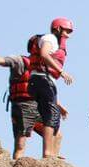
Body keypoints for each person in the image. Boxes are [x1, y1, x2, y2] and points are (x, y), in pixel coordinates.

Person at [28, 17, 75, 159]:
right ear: (58, 29)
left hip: (42, 81)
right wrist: (61, 72)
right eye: (66, 30)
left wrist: (59, 105)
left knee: (53, 116)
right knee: (51, 116)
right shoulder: (51, 38)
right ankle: (48, 153)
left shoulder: (56, 41)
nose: (68, 34)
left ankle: (52, 153)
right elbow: (44, 54)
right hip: (42, 79)